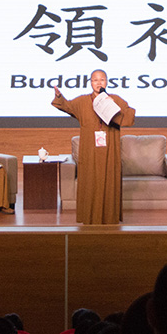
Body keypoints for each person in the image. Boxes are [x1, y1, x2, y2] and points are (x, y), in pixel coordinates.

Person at [53, 69, 136, 224]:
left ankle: (109, 217)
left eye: (102, 80)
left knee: (109, 180)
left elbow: (130, 116)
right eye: (95, 80)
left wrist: (113, 106)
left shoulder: (115, 99)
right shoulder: (83, 101)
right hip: (90, 150)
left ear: (107, 82)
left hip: (110, 149)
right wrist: (59, 96)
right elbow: (67, 106)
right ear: (90, 83)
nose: (99, 83)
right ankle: (89, 216)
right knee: (90, 181)